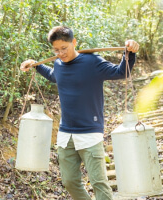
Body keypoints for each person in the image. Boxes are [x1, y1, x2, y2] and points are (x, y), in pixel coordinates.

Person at [20, 26, 139, 200]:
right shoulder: (58, 63)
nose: (60, 53)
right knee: (69, 181)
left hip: (90, 133)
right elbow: (55, 76)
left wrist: (130, 53)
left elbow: (121, 72)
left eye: (64, 48)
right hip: (66, 134)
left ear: (74, 43)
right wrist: (36, 66)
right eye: (56, 50)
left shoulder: (92, 62)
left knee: (99, 183)